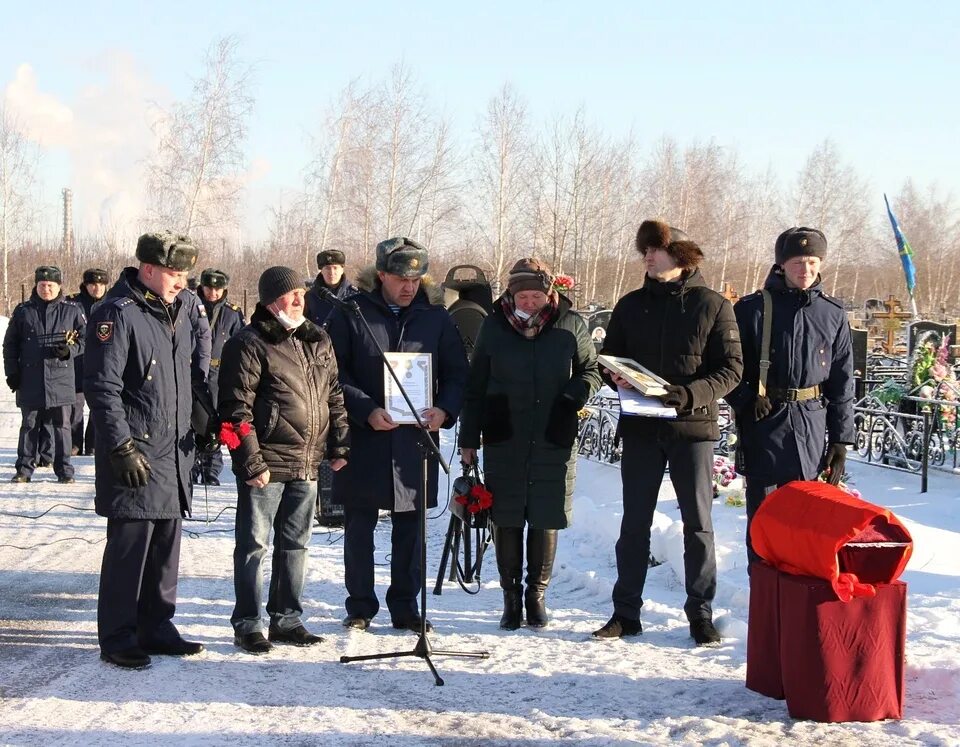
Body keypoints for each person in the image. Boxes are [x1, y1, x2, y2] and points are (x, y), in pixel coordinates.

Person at [592, 220, 742, 646]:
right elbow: (610, 361)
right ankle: (625, 613)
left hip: (691, 429)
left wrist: (689, 394)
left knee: (697, 524)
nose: (647, 257)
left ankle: (700, 614)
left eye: (655, 250)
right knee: (633, 523)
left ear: (681, 256)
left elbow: (731, 369)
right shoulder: (630, 304)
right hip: (640, 428)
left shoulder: (713, 305)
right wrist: (613, 376)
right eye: (644, 251)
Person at [85, 231, 216, 669]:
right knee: (130, 548)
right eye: (175, 274)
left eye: (185, 275)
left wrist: (202, 417)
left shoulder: (178, 309)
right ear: (148, 269)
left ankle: (156, 624)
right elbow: (102, 387)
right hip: (136, 450)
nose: (182, 282)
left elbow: (185, 377)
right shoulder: (118, 313)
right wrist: (120, 447)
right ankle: (119, 635)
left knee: (165, 544)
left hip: (172, 448)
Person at [327, 236, 468, 632]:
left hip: (415, 440)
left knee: (411, 530)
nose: (409, 286)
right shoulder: (352, 313)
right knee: (359, 529)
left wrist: (445, 409)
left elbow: (457, 374)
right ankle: (360, 606)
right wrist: (365, 409)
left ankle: (405, 607)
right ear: (382, 275)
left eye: (417, 278)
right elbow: (333, 374)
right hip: (366, 437)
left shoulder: (436, 318)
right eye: (401, 278)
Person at [459, 258, 601, 630]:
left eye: (536, 295)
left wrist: (574, 396)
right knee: (506, 516)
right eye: (523, 296)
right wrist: (469, 438)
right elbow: (475, 385)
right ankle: (510, 599)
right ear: (511, 294)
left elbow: (592, 370)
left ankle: (536, 596)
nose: (530, 303)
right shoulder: (494, 327)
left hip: (554, 434)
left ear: (549, 293)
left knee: (544, 515)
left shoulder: (571, 324)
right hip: (505, 433)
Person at [218, 267, 350, 654]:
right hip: (267, 464)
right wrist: (250, 462)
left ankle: (287, 618)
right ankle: (247, 623)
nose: (298, 301)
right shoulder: (249, 343)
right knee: (253, 545)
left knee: (296, 544)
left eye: (301, 294)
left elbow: (335, 396)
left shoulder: (317, 338)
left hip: (307, 462)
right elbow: (234, 413)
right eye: (289, 295)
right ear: (268, 301)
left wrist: (340, 446)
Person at [726, 227, 854, 566]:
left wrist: (841, 440)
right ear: (781, 265)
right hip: (765, 421)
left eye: (812, 261)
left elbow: (841, 381)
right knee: (765, 518)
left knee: (806, 517)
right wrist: (744, 398)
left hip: (811, 421)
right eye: (797, 261)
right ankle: (764, 599)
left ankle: (797, 601)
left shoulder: (832, 313)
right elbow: (727, 367)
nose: (805, 269)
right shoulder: (753, 310)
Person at [3, 266, 86, 483]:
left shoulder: (73, 310)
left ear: (59, 286)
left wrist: (70, 350)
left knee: (62, 427)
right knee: (29, 425)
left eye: (50, 285)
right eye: (42, 285)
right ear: (36, 285)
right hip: (30, 379)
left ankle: (65, 470)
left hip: (61, 379)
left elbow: (86, 340)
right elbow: (10, 345)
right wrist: (12, 372)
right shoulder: (23, 311)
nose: (46, 289)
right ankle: (24, 469)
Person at [192, 268, 245, 485]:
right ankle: (193, 465)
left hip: (219, 374)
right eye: (209, 287)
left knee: (216, 421)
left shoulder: (232, 313)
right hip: (194, 372)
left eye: (217, 288)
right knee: (194, 420)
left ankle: (211, 468)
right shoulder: (191, 307)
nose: (213, 292)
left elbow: (241, 344)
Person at [67, 268, 109, 455]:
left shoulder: (112, 304)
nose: (97, 288)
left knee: (98, 406)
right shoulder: (73, 304)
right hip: (77, 363)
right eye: (92, 284)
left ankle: (93, 443)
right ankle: (75, 444)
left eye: (100, 284)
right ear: (85, 285)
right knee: (75, 406)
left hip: (103, 363)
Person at [305, 249, 358, 329]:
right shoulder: (310, 296)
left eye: (335, 268)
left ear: (342, 270)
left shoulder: (355, 295)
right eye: (327, 268)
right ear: (321, 271)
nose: (331, 272)